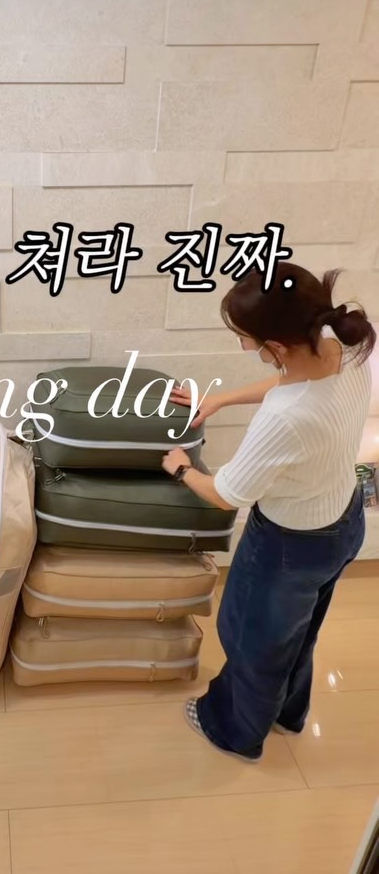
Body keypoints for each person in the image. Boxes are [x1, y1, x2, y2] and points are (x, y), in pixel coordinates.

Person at [162, 262, 374, 762]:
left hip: (288, 546)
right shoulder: (341, 345)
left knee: (250, 638)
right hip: (344, 521)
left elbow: (227, 493)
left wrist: (180, 468)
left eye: (245, 338)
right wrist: (220, 400)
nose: (244, 346)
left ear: (276, 345)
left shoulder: (287, 418)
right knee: (298, 631)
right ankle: (288, 713)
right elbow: (292, 382)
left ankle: (235, 731)